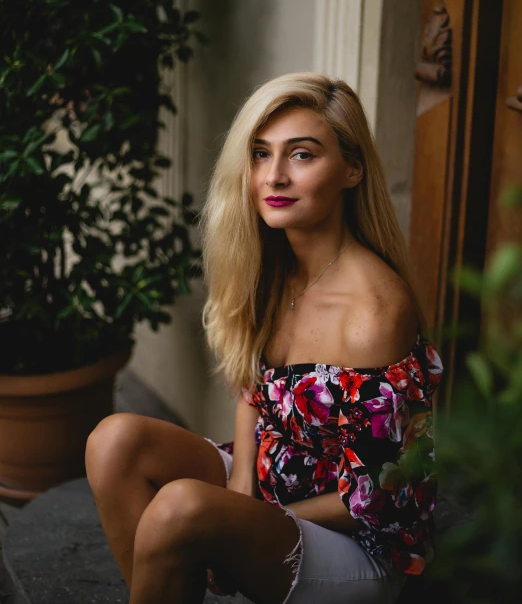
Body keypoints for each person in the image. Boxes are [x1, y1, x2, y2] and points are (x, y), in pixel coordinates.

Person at [85, 72, 444, 604]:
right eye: (259, 154)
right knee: (113, 442)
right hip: (274, 484)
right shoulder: (273, 265)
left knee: (181, 509)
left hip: (359, 542)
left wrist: (241, 522)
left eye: (301, 155)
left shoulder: (374, 312)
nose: (273, 176)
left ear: (351, 168)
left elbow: (375, 495)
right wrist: (239, 491)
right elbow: (253, 389)